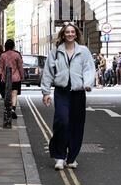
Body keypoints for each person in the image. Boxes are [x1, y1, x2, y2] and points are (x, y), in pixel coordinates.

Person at [41, 22, 95, 170]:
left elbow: (89, 69)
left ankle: (72, 158)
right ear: (63, 35)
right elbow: (48, 72)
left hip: (78, 92)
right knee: (62, 122)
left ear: (76, 34)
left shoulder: (83, 51)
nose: (70, 34)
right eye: (67, 32)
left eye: (73, 32)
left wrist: (88, 83)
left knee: (76, 125)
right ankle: (59, 156)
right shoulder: (56, 52)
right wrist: (46, 92)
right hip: (61, 92)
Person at [0, 39, 24, 120]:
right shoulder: (17, 55)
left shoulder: (2, 55)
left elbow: (0, 68)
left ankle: (8, 109)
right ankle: (13, 109)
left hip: (6, 79)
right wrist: (22, 76)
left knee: (7, 95)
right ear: (13, 46)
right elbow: (20, 67)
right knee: (14, 94)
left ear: (5, 46)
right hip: (16, 78)